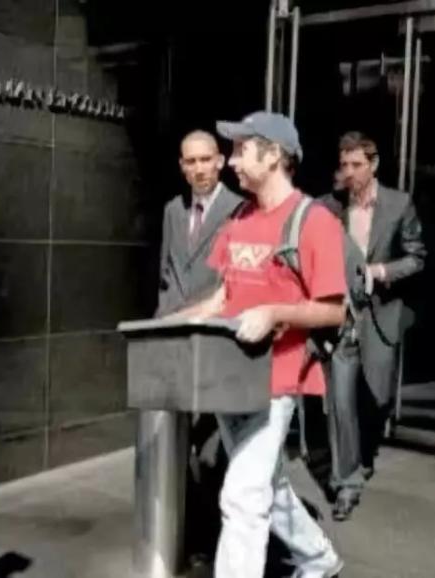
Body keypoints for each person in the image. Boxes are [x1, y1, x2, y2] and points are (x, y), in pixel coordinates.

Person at [167, 111, 346, 578]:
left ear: (272, 156)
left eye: (241, 150)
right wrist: (170, 323)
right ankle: (319, 559)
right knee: (268, 484)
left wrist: (274, 313)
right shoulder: (241, 218)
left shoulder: (314, 221)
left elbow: (334, 311)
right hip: (230, 378)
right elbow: (223, 297)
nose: (230, 162)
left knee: (242, 497)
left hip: (275, 380)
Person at [318, 131, 425, 521]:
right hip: (343, 317)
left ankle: (361, 455)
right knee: (341, 401)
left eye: (357, 165)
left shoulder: (399, 204)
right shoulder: (329, 207)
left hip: (380, 313)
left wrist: (380, 271)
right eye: (344, 165)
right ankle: (346, 481)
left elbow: (417, 257)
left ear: (374, 164)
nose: (350, 172)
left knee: (375, 399)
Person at [156, 129, 243, 566]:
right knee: (177, 444)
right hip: (175, 343)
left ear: (221, 161)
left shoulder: (240, 210)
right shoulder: (173, 210)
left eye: (206, 160)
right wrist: (162, 327)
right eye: (190, 162)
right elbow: (168, 276)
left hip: (217, 342)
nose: (199, 169)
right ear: (181, 166)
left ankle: (213, 541)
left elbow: (236, 284)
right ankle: (188, 538)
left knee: (213, 451)